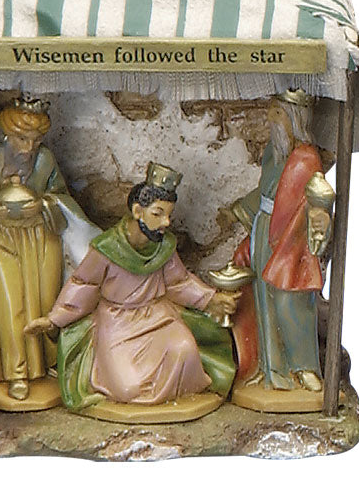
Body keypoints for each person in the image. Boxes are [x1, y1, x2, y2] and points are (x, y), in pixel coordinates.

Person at [25, 162, 238, 410]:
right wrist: (54, 319)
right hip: (118, 322)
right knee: (128, 388)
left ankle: (170, 397)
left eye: (168, 215)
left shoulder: (164, 247)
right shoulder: (106, 249)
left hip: (158, 317)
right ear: (138, 211)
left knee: (185, 351)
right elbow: (83, 285)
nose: (166, 222)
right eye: (158, 214)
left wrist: (211, 298)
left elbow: (179, 282)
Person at [0, 96, 98, 401]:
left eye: (36, 140)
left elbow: (61, 198)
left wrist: (44, 205)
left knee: (42, 302)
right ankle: (16, 372)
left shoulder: (45, 161)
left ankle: (44, 364)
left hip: (41, 238)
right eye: (22, 139)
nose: (29, 148)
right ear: (8, 133)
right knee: (8, 303)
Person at [230, 88, 335, 392]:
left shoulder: (306, 158)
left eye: (277, 113)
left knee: (292, 303)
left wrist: (320, 218)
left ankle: (304, 366)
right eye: (272, 111)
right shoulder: (274, 153)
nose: (270, 118)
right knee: (265, 299)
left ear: (293, 118)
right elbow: (265, 192)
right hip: (266, 229)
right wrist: (240, 210)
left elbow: (316, 199)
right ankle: (272, 368)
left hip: (293, 237)